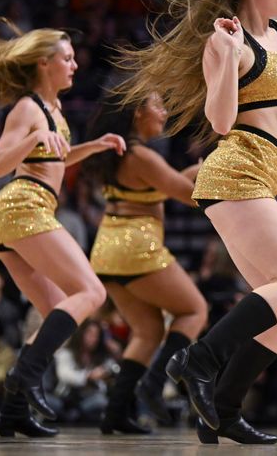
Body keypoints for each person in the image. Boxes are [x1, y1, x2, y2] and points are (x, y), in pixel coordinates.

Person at [113, 0, 277, 444]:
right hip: (236, 172)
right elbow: (219, 119)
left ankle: (221, 408)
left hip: (263, 178)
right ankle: (198, 359)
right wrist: (230, 53)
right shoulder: (225, 42)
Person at [0, 8, 125, 438]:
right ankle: (23, 376)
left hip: (21, 213)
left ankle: (12, 409)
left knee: (55, 312)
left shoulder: (52, 107)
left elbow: (55, 157)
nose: (74, 64)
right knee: (91, 291)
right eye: (67, 58)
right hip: (22, 206)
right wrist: (34, 137)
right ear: (43, 63)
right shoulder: (27, 108)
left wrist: (92, 146)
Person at [82, 96, 207, 434]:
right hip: (136, 247)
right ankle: (153, 384)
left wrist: (190, 174)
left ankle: (116, 413)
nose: (165, 113)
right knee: (195, 310)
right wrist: (206, 170)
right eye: (159, 106)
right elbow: (190, 195)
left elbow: (155, 189)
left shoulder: (122, 154)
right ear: (138, 112)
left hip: (108, 250)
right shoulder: (141, 155)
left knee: (148, 331)